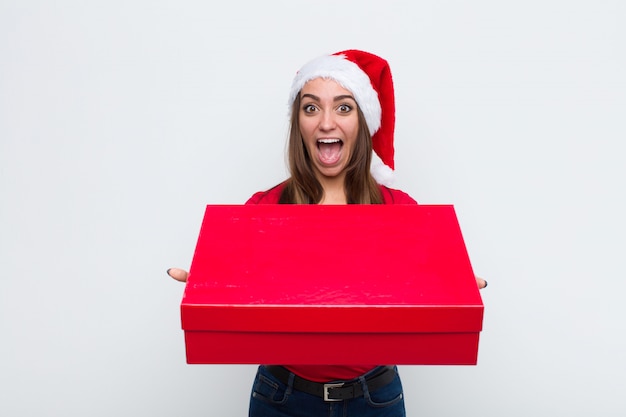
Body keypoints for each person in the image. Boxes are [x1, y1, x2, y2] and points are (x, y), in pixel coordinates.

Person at [168, 49, 487, 417]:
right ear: (298, 123)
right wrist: (210, 284)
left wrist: (453, 286)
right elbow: (235, 289)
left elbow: (429, 290)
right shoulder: (263, 208)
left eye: (343, 107)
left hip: (375, 398)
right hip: (281, 397)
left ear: (363, 122)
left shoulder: (398, 210)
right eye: (311, 108)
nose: (326, 123)